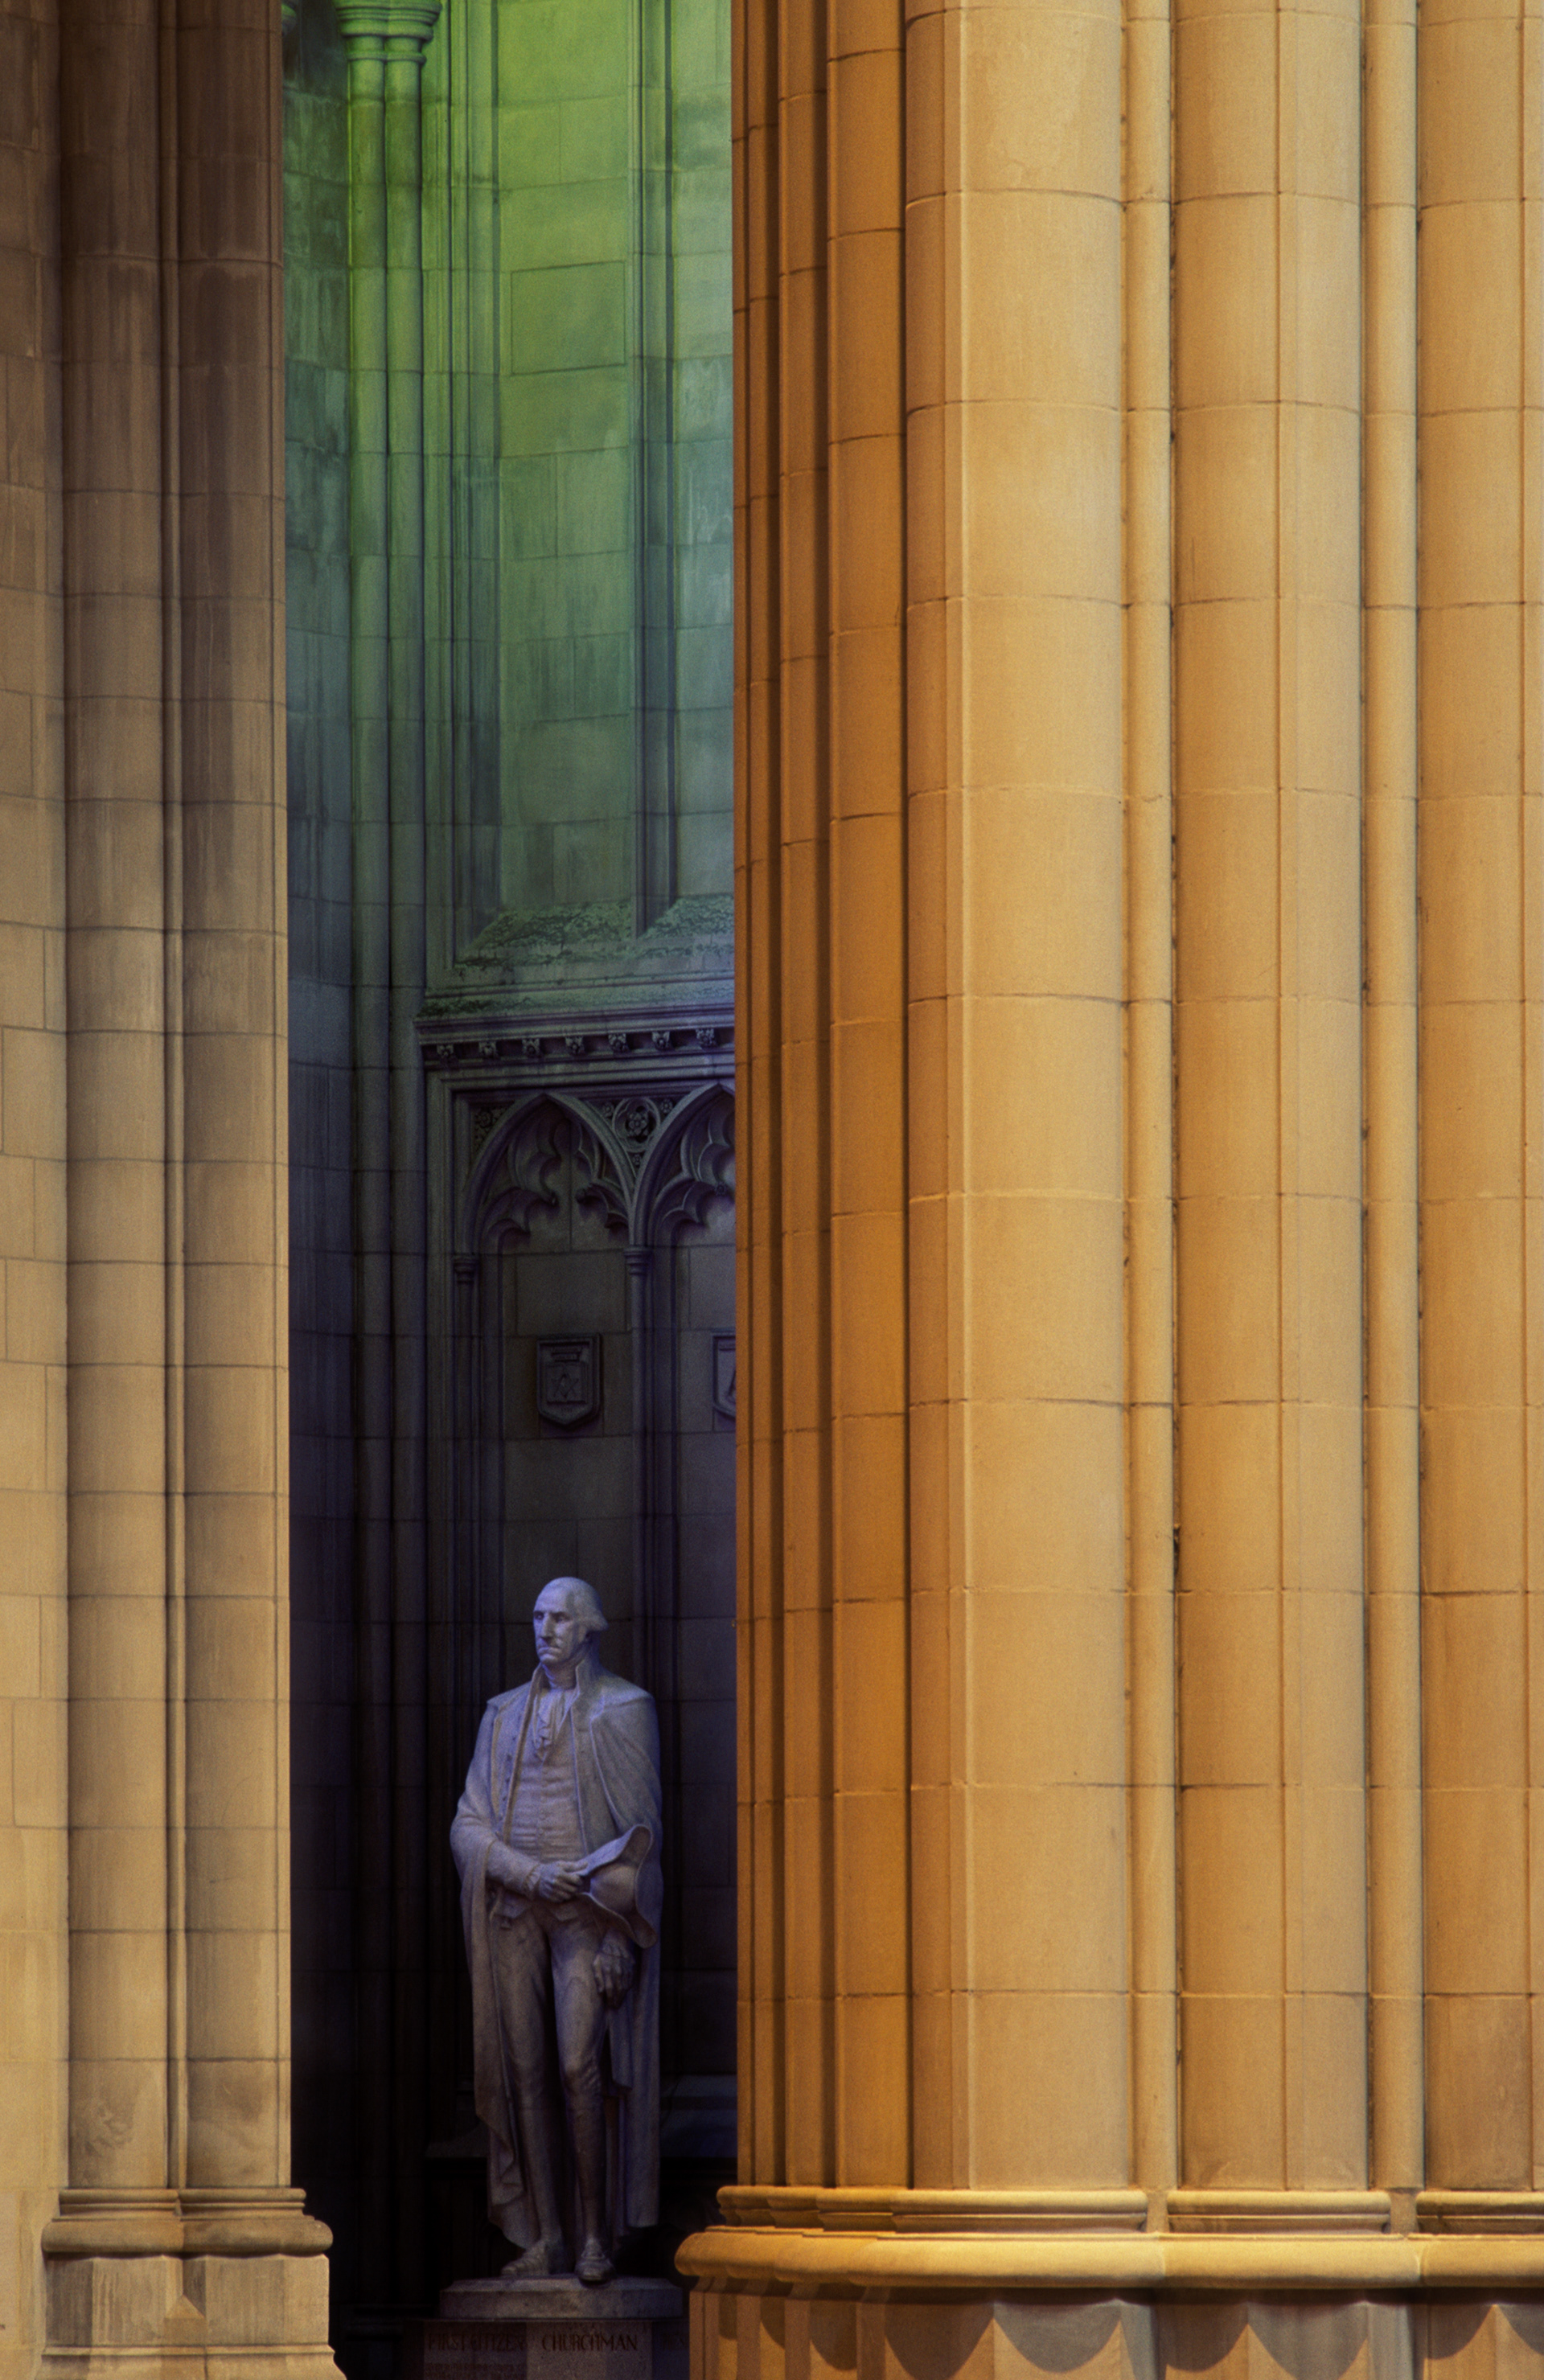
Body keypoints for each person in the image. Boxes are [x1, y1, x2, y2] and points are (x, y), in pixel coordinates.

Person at [451, 1578, 662, 2286]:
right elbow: (467, 1825)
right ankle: (546, 2238)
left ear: (589, 1628)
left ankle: (595, 2235)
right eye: (539, 1617)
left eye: (561, 1619)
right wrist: (525, 1873)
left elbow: (644, 1840)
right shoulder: (502, 1715)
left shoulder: (625, 1709)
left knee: (578, 2068)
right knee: (524, 2073)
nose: (546, 1630)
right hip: (517, 1907)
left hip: (587, 1915)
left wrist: (620, 1937)